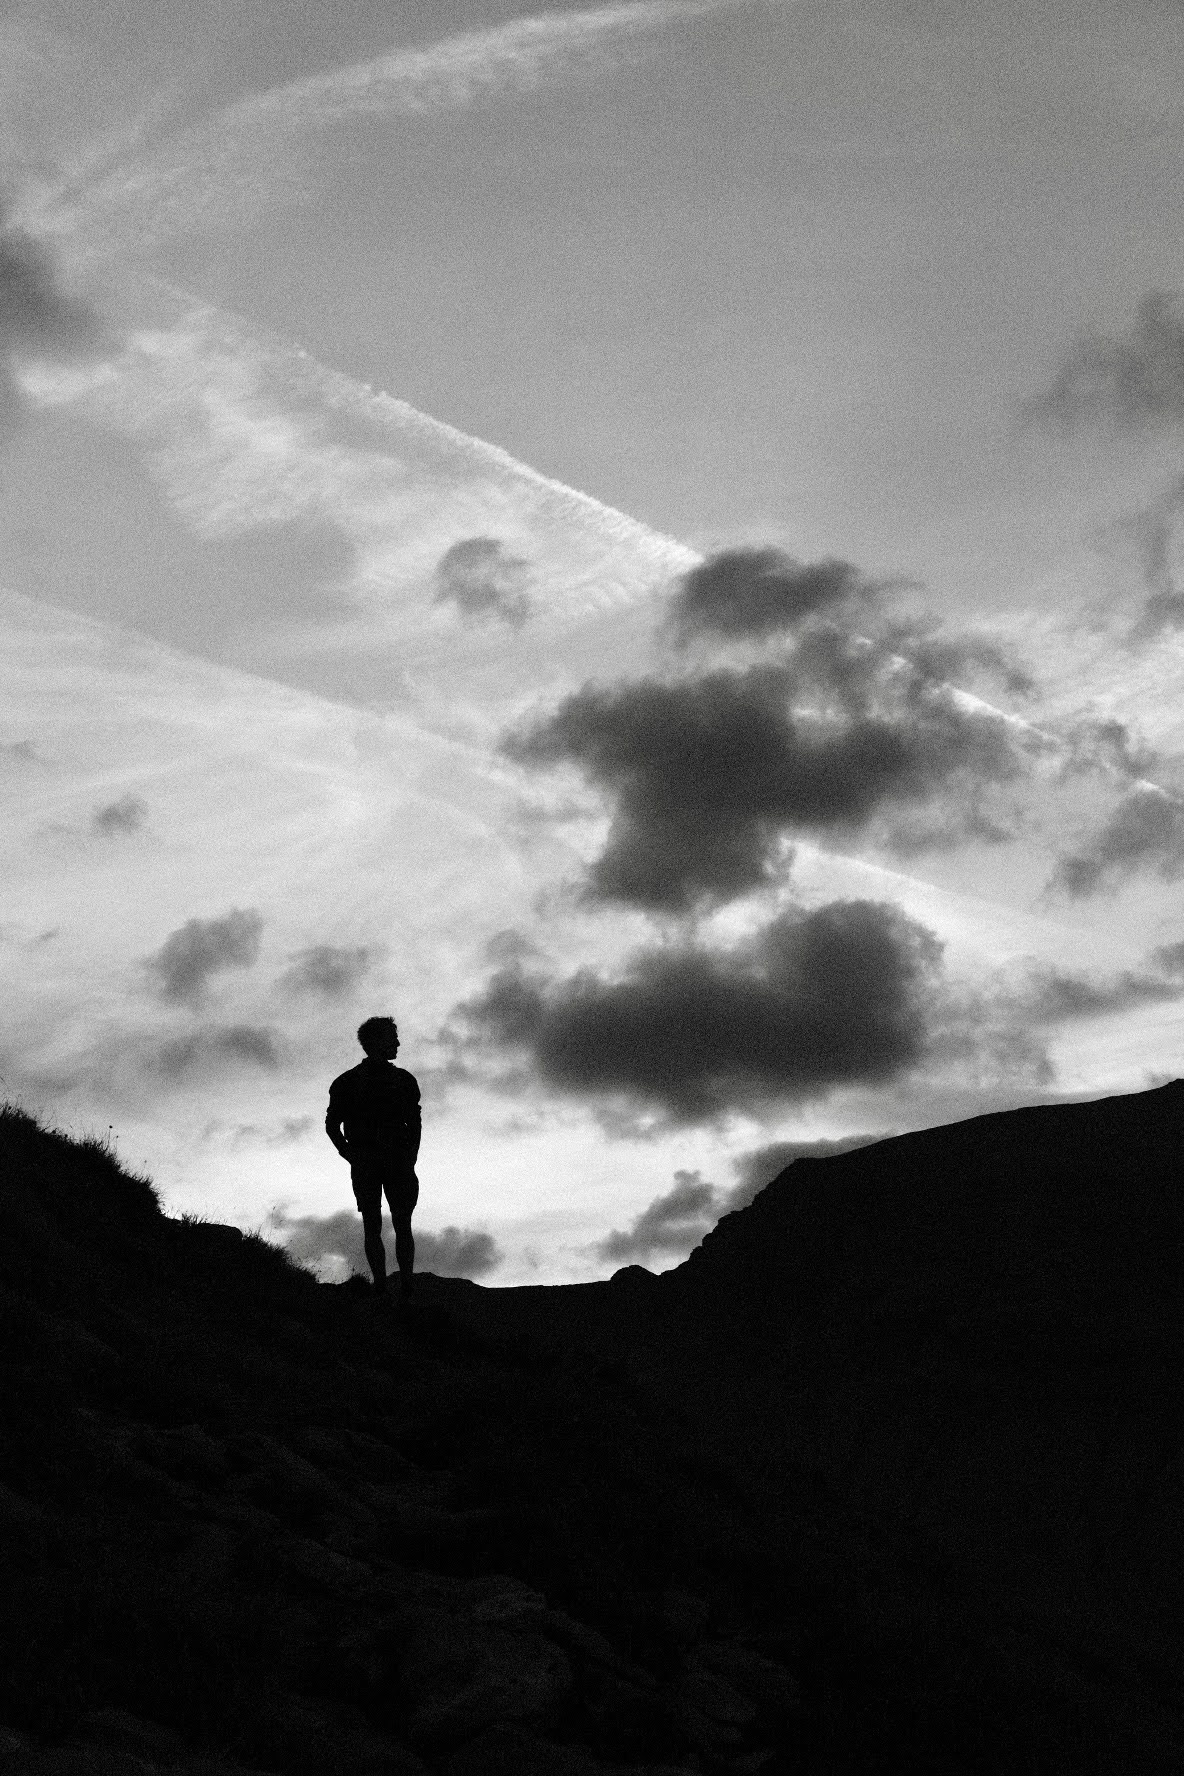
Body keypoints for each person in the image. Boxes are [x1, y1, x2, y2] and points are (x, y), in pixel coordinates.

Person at [325, 1016, 421, 1301]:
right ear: (377, 1042)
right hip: (378, 1161)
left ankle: (397, 1286)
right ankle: (390, 1286)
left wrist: (410, 1156)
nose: (398, 1043)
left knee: (389, 1224)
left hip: (389, 1161)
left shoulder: (395, 1081)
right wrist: (349, 1154)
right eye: (392, 1038)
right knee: (382, 1224)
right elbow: (332, 1125)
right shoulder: (351, 1082)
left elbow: (414, 1123)